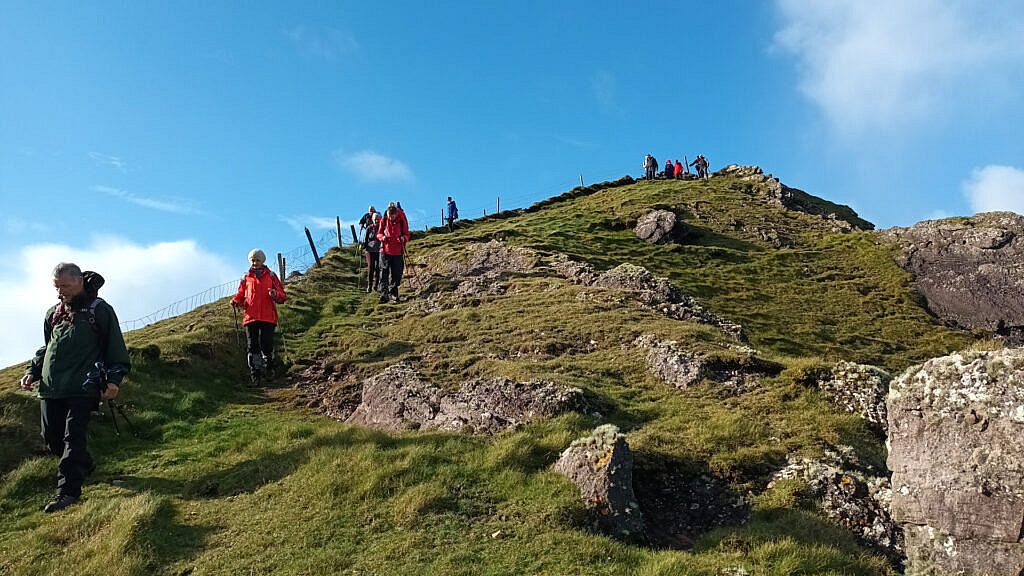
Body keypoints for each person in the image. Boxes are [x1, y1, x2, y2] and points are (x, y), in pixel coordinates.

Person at [19, 263, 131, 513]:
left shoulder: (99, 310)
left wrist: (114, 380)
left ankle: (67, 492)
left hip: (84, 386)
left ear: (80, 281)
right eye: (57, 287)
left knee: (73, 438)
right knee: (51, 437)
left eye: (65, 286)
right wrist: (32, 371)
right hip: (51, 387)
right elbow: (47, 346)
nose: (60, 292)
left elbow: (115, 347)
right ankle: (84, 465)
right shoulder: (53, 313)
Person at [231, 249, 287, 385]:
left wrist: (275, 294)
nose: (255, 263)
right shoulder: (246, 278)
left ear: (263, 261)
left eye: (257, 260)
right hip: (250, 317)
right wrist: (235, 301)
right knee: (252, 346)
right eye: (252, 260)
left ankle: (269, 369)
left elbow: (282, 295)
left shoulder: (271, 276)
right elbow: (241, 294)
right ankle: (255, 374)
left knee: (266, 344)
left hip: (268, 317)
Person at [376, 202, 410, 304]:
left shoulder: (401, 220)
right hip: (385, 250)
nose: (390, 218)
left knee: (397, 273)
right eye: (389, 216)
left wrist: (403, 238)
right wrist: (382, 237)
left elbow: (407, 234)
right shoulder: (384, 220)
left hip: (398, 251)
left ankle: (393, 293)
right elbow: (379, 233)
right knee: (383, 272)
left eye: (392, 216)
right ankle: (384, 293)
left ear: (396, 214)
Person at [363, 213, 382, 292]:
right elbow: (365, 238)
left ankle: (376, 286)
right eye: (375, 219)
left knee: (378, 268)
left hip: (379, 250)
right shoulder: (369, 228)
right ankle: (369, 285)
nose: (376, 221)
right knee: (371, 267)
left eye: (378, 219)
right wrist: (363, 246)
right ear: (372, 220)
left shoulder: (382, 228)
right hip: (370, 250)